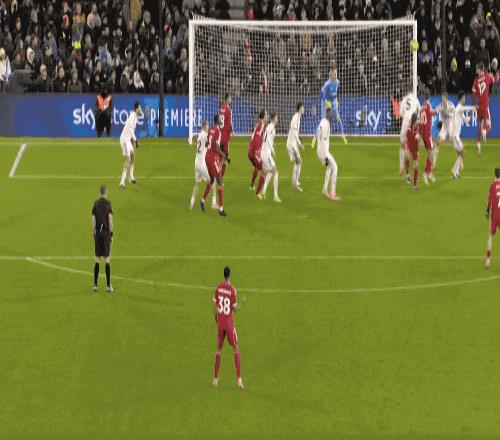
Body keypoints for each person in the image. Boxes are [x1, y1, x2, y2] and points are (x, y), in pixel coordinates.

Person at [213, 266, 244, 389]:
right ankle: (239, 380)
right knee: (236, 348)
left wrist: (216, 318)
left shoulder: (218, 288)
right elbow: (235, 310)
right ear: (229, 275)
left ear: (223, 275)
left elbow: (215, 307)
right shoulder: (232, 290)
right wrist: (242, 303)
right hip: (229, 324)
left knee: (218, 350)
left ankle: (215, 379)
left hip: (220, 324)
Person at [200, 115, 228, 217]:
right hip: (212, 158)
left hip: (207, 156)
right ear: (218, 121)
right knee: (220, 181)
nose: (221, 119)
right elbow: (216, 147)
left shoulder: (211, 129)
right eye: (220, 119)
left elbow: (207, 143)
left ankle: (202, 200)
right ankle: (221, 209)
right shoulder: (217, 131)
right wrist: (223, 154)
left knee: (212, 180)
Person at [312, 67, 347, 147]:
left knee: (338, 118)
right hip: (325, 103)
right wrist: (325, 102)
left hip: (333, 102)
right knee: (323, 122)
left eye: (336, 73)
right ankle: (314, 139)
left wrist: (336, 100)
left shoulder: (337, 82)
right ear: (331, 75)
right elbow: (321, 94)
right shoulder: (326, 84)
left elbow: (335, 93)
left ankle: (343, 136)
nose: (336, 75)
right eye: (334, 74)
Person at [472, 62, 499, 155]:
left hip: (478, 105)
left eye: (477, 69)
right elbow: (495, 80)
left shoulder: (476, 81)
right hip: (485, 105)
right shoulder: (487, 76)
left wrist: (474, 105)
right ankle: (485, 132)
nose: (476, 70)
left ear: (480, 69)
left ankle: (478, 143)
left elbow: (473, 94)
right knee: (488, 126)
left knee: (480, 125)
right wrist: (495, 74)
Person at [91, 184, 113, 293]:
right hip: (105, 233)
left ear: (100, 192)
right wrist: (111, 234)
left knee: (97, 258)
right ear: (106, 192)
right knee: (107, 259)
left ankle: (95, 285)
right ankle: (108, 286)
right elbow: (110, 219)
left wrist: (93, 232)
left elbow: (93, 220)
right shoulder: (108, 204)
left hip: (98, 233)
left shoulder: (95, 203)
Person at [316, 108, 340, 201]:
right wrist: (326, 155)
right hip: (323, 152)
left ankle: (325, 189)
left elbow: (319, 133)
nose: (331, 115)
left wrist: (318, 141)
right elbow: (319, 131)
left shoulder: (325, 122)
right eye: (330, 113)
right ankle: (332, 194)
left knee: (329, 167)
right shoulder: (324, 123)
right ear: (327, 114)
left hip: (321, 151)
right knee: (335, 167)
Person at [258, 112, 281, 203]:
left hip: (265, 153)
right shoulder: (270, 127)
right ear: (274, 118)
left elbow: (266, 139)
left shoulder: (270, 127)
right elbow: (267, 139)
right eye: (277, 117)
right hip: (266, 153)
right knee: (276, 172)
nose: (277, 119)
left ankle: (263, 191)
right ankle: (275, 196)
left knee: (271, 172)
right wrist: (272, 150)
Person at [450, 91, 474, 179]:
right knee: (462, 152)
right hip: (454, 135)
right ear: (461, 98)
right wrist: (473, 107)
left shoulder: (460, 109)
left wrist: (470, 115)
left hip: (455, 135)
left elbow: (466, 120)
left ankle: (455, 172)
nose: (465, 99)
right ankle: (454, 171)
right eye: (464, 98)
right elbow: (464, 109)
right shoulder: (458, 108)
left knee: (460, 153)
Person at [399, 85, 420, 178]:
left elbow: (400, 113)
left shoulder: (404, 99)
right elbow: (419, 110)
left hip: (405, 122)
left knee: (402, 145)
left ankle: (401, 166)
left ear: (407, 91)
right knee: (414, 144)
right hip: (413, 122)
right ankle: (414, 160)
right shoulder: (415, 99)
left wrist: (405, 115)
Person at [119, 102, 141, 189]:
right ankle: (122, 182)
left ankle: (131, 178)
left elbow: (131, 131)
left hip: (128, 140)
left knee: (133, 156)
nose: (140, 109)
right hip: (124, 140)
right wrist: (135, 140)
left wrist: (133, 141)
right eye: (139, 108)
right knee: (128, 160)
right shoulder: (132, 116)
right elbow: (131, 130)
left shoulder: (136, 117)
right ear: (136, 109)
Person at [190, 120, 210, 209]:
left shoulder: (199, 136)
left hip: (196, 162)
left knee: (197, 184)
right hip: (202, 164)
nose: (208, 127)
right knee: (212, 181)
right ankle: (212, 201)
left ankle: (192, 202)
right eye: (208, 125)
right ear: (205, 126)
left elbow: (199, 149)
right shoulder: (205, 135)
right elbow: (211, 143)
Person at [287, 102, 305, 192]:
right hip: (291, 144)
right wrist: (299, 143)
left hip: (293, 143)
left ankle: (296, 181)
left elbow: (295, 132)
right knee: (299, 162)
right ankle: (294, 183)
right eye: (303, 107)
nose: (304, 109)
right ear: (300, 108)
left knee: (298, 163)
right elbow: (294, 132)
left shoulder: (298, 117)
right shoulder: (295, 118)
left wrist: (297, 142)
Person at [419, 89, 436, 184]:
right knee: (431, 155)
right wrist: (437, 111)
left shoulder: (422, 107)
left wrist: (420, 136)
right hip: (427, 134)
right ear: (429, 96)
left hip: (423, 135)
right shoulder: (428, 105)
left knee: (430, 153)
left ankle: (428, 173)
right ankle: (427, 173)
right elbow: (430, 113)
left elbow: (421, 123)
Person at [434, 92, 455, 168]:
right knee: (437, 143)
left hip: (451, 127)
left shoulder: (451, 105)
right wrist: (435, 111)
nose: (442, 99)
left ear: (446, 98)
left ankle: (460, 161)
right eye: (442, 98)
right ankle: (433, 162)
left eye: (443, 98)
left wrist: (450, 115)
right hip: (444, 127)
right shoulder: (440, 106)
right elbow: (435, 111)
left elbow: (456, 113)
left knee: (455, 144)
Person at [248, 110, 267, 192]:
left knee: (256, 167)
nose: (267, 116)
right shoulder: (261, 124)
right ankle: (258, 192)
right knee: (264, 170)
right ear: (264, 116)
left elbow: (255, 137)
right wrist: (257, 151)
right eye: (266, 114)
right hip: (254, 152)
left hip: (250, 151)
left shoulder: (259, 124)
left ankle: (252, 185)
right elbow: (256, 137)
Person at [485, 168, 500, 268]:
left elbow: (489, 202)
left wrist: (487, 212)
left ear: (495, 175)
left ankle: (488, 259)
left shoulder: (492, 186)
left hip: (495, 216)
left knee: (490, 236)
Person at [405, 113, 421, 192]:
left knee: (416, 166)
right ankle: (408, 174)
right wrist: (415, 135)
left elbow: (420, 139)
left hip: (415, 148)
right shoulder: (409, 125)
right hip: (409, 145)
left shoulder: (419, 126)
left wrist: (418, 151)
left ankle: (415, 185)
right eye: (416, 119)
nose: (417, 121)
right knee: (407, 157)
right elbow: (408, 135)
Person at [219, 94, 233, 177]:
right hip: (225, 137)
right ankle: (220, 178)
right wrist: (231, 132)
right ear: (227, 99)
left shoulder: (221, 109)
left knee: (221, 157)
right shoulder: (228, 110)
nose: (231, 99)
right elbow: (230, 125)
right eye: (230, 98)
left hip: (220, 136)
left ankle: (217, 175)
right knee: (225, 159)